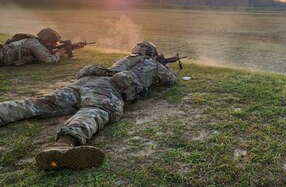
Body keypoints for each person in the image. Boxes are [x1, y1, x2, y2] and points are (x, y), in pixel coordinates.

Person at [0, 41, 177, 170]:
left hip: (85, 82)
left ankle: (4, 111)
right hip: (107, 90)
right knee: (95, 111)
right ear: (153, 53)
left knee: (42, 102)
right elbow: (170, 80)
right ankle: (63, 145)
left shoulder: (124, 59)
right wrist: (163, 66)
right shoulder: (153, 64)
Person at [0, 28, 69, 66]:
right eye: (54, 41)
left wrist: (71, 47)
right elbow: (49, 60)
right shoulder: (35, 44)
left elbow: (47, 51)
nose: (55, 44)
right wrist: (58, 54)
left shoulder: (36, 42)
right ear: (47, 41)